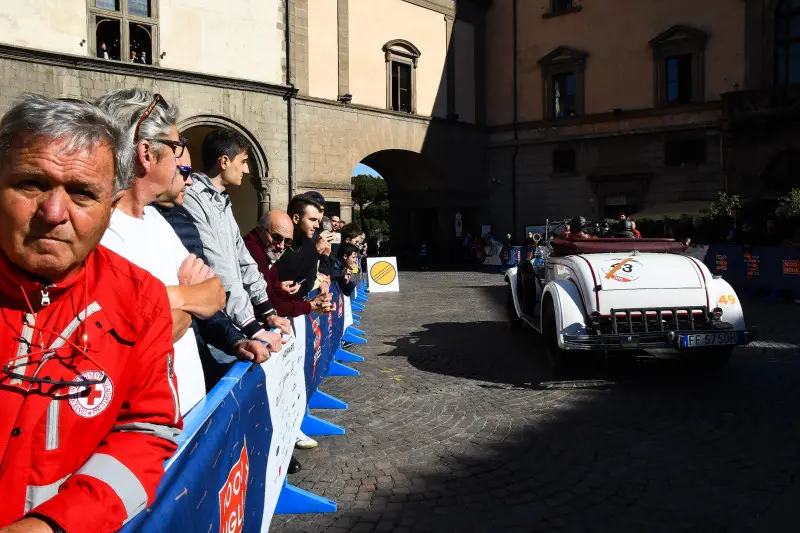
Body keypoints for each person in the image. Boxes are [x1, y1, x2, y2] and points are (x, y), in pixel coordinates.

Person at [0, 94, 181, 531]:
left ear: (111, 205)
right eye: (31, 184)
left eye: (82, 193)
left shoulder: (141, 299)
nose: (54, 212)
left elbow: (147, 431)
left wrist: (55, 525)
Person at [97, 89, 227, 415]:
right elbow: (136, 343)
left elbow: (215, 294)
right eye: (177, 147)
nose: (181, 159)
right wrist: (187, 295)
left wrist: (169, 298)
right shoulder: (102, 231)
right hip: (143, 434)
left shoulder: (154, 218)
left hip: (184, 419)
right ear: (146, 154)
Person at [152, 146, 272, 391]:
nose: (189, 179)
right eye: (183, 171)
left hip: (202, 349)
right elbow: (220, 271)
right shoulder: (192, 201)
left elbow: (215, 288)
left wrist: (239, 337)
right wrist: (250, 325)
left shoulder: (195, 211)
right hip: (164, 376)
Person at [182, 128, 289, 345]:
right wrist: (252, 327)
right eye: (243, 161)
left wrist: (266, 310)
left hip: (234, 318)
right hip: (214, 323)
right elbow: (217, 265)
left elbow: (243, 259)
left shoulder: (222, 200)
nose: (247, 169)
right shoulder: (193, 199)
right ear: (224, 162)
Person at [271, 195, 335, 317]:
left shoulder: (309, 246)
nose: (317, 226)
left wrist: (314, 303)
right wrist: (276, 287)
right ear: (296, 218)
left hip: (291, 313)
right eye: (312, 220)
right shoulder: (274, 244)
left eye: (318, 220)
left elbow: (308, 280)